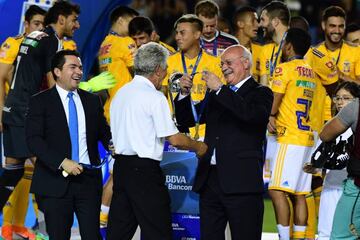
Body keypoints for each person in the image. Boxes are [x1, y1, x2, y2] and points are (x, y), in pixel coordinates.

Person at [106, 42, 208, 240]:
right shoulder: (154, 97)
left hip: (122, 169)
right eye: (166, 68)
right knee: (158, 231)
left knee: (119, 231)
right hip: (144, 171)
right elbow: (175, 139)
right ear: (159, 70)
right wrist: (199, 147)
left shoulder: (121, 94)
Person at [175, 44, 273, 240]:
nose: (224, 67)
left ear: (246, 63)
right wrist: (184, 94)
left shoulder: (261, 92)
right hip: (210, 181)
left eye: (229, 63)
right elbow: (188, 120)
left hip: (241, 183)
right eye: (222, 64)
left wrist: (220, 89)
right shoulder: (216, 94)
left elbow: (251, 116)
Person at [0, 0, 80, 222]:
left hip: (13, 108)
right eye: (74, 20)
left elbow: (14, 73)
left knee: (13, 170)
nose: (78, 25)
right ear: (61, 19)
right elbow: (52, 83)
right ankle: (53, 226)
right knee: (50, 167)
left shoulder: (34, 36)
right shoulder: (53, 41)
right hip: (25, 112)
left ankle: (48, 223)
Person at [25, 50, 111, 240]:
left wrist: (111, 143)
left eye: (80, 67)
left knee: (92, 236)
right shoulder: (40, 102)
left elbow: (103, 131)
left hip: (88, 180)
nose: (79, 72)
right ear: (57, 71)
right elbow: (34, 140)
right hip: (55, 182)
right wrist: (63, 162)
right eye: (72, 67)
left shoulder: (92, 100)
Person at [0, 5, 46, 239]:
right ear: (26, 24)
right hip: (17, 116)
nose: (39, 28)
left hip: (34, 116)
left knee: (20, 172)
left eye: (42, 24)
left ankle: (18, 225)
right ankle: (14, 225)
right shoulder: (13, 43)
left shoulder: (45, 46)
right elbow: (1, 77)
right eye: (36, 24)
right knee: (41, 166)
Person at [267, 28, 315, 240]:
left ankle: (284, 239)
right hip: (307, 138)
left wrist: (270, 115)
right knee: (300, 194)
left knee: (277, 190)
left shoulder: (283, 69)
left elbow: (275, 98)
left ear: (288, 46)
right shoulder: (311, 72)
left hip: (288, 137)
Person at [97, 5, 138, 227]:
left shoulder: (104, 44)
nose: (133, 31)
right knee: (119, 172)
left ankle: (104, 216)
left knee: (118, 170)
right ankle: (102, 218)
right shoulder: (125, 43)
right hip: (128, 113)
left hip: (112, 110)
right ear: (121, 20)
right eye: (131, 24)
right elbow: (142, 68)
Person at [164, 14, 224, 140]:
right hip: (176, 132)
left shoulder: (215, 63)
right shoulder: (168, 63)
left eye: (182, 33)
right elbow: (162, 94)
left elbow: (221, 98)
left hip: (205, 131)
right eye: (177, 33)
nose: (177, 37)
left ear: (197, 35)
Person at [316, 81, 360, 240]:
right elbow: (319, 158)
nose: (341, 102)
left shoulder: (353, 117)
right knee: (325, 233)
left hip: (352, 186)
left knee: (343, 234)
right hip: (331, 185)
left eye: (346, 98)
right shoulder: (331, 124)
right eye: (337, 98)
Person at [259, 1, 290, 86]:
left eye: (263, 20)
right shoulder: (265, 50)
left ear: (275, 22)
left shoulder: (296, 46)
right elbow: (264, 86)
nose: (259, 24)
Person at [232, 6, 261, 81]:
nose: (257, 25)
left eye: (257, 21)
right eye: (253, 21)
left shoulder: (260, 50)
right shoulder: (227, 48)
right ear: (240, 24)